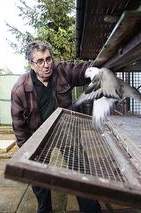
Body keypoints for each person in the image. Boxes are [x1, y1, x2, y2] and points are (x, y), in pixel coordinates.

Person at [11, 40, 101, 213]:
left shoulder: (61, 70)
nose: (46, 65)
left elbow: (83, 69)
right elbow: (18, 126)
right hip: (38, 137)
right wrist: (27, 152)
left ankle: (91, 209)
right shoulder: (20, 88)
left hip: (65, 131)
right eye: (40, 61)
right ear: (31, 63)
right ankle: (44, 209)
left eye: (48, 59)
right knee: (38, 180)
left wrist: (100, 67)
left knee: (81, 173)